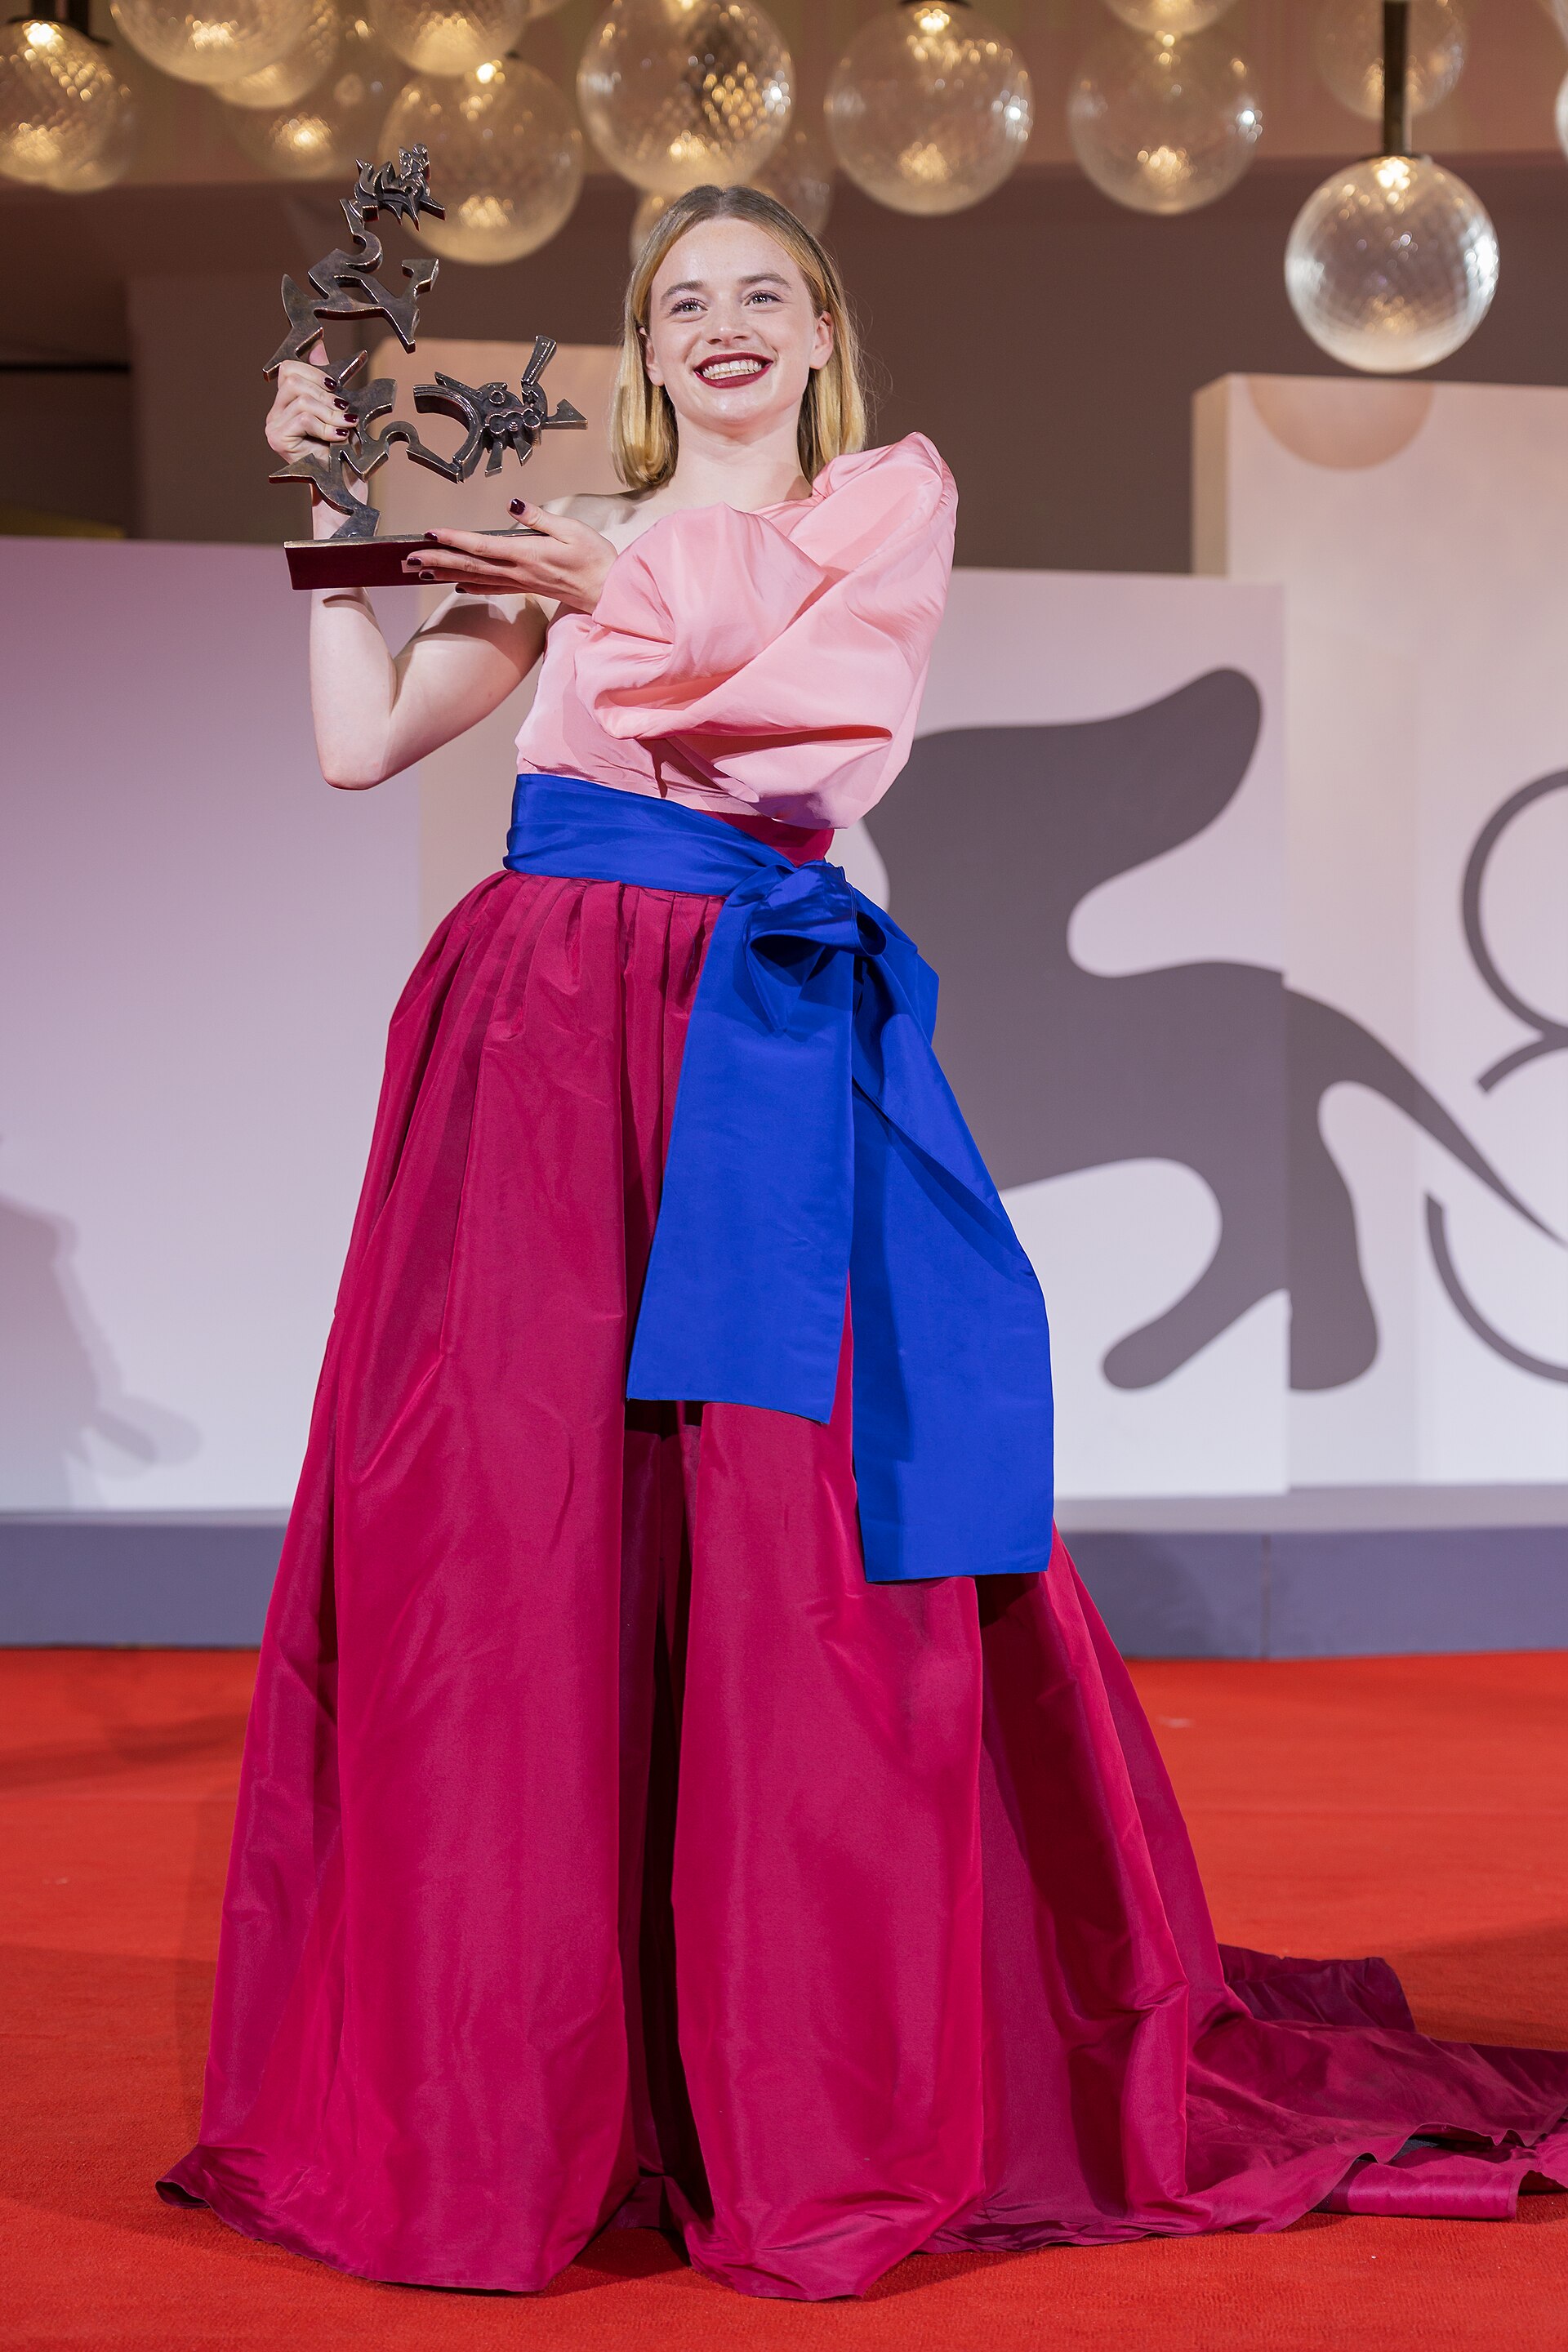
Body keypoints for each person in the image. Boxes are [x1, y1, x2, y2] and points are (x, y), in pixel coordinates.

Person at [159, 185, 1568, 2301]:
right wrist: (327, 498)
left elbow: (825, 725)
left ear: (821, 331)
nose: (722, 327)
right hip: (533, 1045)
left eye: (760, 295)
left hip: (744, 1032)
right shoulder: (574, 524)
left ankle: (791, 2073)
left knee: (785, 1533)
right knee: (516, 1535)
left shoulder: (875, 503)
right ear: (645, 348)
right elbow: (362, 742)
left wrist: (603, 571)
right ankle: (532, 2086)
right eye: (681, 302)